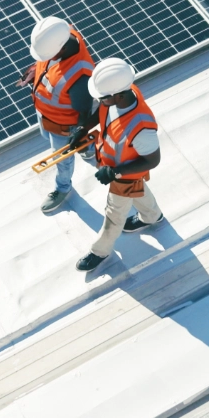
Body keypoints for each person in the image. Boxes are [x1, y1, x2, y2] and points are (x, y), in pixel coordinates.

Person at [67, 57, 163, 272]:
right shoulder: (121, 93)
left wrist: (115, 172)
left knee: (115, 215)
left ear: (117, 95)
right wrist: (84, 128)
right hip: (115, 166)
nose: (99, 100)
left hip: (124, 174)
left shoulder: (141, 127)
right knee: (138, 189)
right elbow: (103, 112)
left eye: (102, 97)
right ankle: (152, 216)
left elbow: (152, 160)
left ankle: (100, 251)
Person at [17, 17, 95, 213]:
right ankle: (87, 148)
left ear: (61, 48)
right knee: (46, 136)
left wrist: (79, 133)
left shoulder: (80, 77)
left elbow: (84, 113)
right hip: (45, 114)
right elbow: (48, 65)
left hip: (63, 127)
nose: (45, 58)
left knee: (62, 159)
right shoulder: (58, 33)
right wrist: (35, 71)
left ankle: (63, 187)